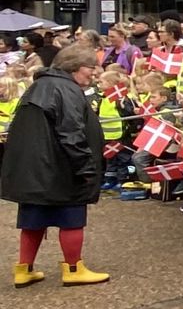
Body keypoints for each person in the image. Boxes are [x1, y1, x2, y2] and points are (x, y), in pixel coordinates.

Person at [2, 42, 109, 286]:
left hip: (34, 169)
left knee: (33, 220)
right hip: (60, 168)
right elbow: (71, 133)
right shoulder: (66, 90)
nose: (93, 73)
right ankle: (73, 269)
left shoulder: (38, 86)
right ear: (75, 67)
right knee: (71, 217)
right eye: (90, 68)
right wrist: (86, 168)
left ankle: (24, 269)